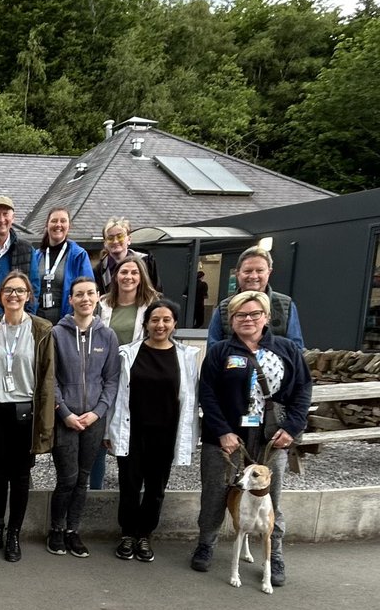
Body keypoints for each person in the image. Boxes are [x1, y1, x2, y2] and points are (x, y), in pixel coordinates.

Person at [192, 290, 311, 586]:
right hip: (227, 437)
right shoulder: (220, 351)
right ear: (231, 320)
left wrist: (293, 427)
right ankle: (206, 542)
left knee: (270, 496)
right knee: (216, 492)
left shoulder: (286, 350)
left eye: (254, 314)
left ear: (266, 317)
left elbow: (302, 390)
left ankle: (275, 553)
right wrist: (222, 431)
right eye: (240, 315)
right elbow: (207, 393)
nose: (248, 319)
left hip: (271, 437)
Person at [105, 299, 200, 562]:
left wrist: (191, 437)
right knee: (130, 485)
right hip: (133, 431)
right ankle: (127, 533)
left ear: (174, 324)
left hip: (166, 434)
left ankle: (144, 535)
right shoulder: (128, 354)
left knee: (156, 488)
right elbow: (116, 396)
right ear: (146, 323)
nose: (160, 325)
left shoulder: (186, 357)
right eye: (155, 320)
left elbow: (191, 401)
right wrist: (107, 433)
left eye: (166, 320)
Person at [0, 270, 55, 563]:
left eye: (20, 291)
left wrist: (45, 421)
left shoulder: (42, 330)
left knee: (20, 475)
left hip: (24, 411)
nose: (14, 295)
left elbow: (47, 379)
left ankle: (14, 534)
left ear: (29, 296)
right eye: (8, 290)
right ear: (1, 295)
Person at [48, 277, 119, 558]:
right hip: (64, 419)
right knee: (67, 478)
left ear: (98, 297)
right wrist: (64, 413)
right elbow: (49, 379)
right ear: (71, 300)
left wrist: (97, 412)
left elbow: (111, 379)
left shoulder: (108, 336)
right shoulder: (57, 333)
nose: (85, 299)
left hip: (93, 419)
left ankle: (72, 530)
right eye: (79, 294)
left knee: (83, 478)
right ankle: (55, 529)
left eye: (90, 293)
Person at [91, 254, 160, 491]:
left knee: (130, 438)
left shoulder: (152, 306)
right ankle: (95, 493)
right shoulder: (102, 304)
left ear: (141, 277)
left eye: (134, 272)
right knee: (100, 436)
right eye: (123, 272)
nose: (128, 277)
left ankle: (131, 493)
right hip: (104, 376)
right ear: (115, 276)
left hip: (138, 379)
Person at [206, 246, 304, 350]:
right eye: (248, 271)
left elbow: (296, 349)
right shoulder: (223, 308)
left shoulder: (286, 306)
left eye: (259, 270)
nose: (253, 276)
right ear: (238, 273)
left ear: (269, 272)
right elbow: (212, 349)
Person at [33, 207, 94, 325]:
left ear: (69, 226)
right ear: (47, 225)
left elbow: (88, 289)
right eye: (54, 221)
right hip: (38, 322)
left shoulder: (79, 256)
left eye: (63, 221)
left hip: (67, 322)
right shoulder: (36, 256)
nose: (58, 225)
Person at [94, 217, 162, 296]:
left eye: (120, 236)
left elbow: (157, 293)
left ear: (129, 239)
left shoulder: (146, 261)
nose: (115, 241)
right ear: (105, 243)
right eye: (110, 238)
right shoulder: (99, 270)